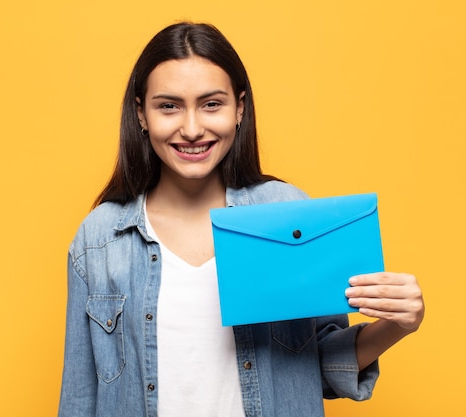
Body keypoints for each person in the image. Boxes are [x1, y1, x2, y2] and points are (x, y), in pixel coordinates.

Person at [58, 22, 425, 417]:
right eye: (169, 106)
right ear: (141, 114)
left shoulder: (286, 212)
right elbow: (79, 397)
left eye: (211, 104)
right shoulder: (99, 239)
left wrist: (398, 324)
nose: (192, 128)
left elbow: (318, 368)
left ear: (240, 109)